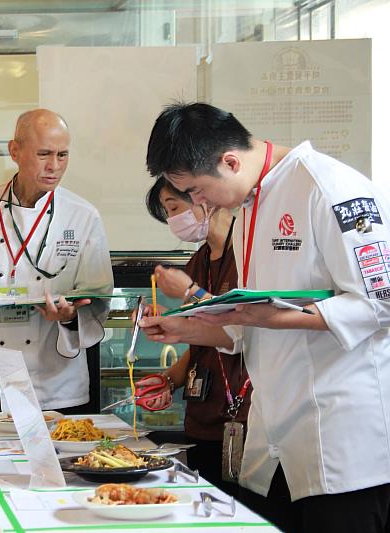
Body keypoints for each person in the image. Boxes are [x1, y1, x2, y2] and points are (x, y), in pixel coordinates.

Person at [139, 102, 390, 533]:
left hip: (340, 440)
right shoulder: (252, 205)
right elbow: (247, 324)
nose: (197, 203)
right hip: (275, 437)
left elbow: (381, 302)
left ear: (230, 161)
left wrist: (276, 318)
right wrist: (190, 328)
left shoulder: (329, 187)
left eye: (196, 190)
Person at [0, 109, 113, 413]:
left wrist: (70, 315)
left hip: (58, 385)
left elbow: (98, 296)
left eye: (63, 155)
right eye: (44, 153)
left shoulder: (83, 216)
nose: (54, 166)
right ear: (14, 151)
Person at [141, 177, 250, 497]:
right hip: (201, 419)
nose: (174, 221)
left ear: (204, 197)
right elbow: (201, 340)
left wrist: (190, 292)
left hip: (244, 419)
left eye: (174, 208)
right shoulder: (199, 261)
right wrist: (169, 381)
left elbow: (239, 330)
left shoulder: (246, 256)